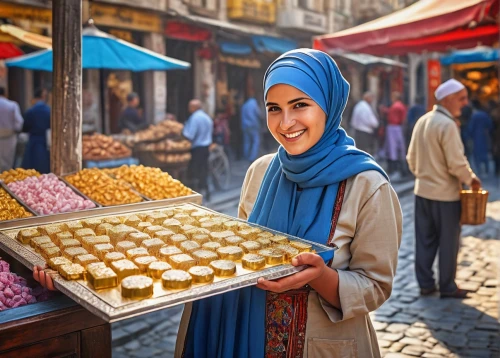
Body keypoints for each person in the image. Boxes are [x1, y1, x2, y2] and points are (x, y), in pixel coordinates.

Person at [175, 49, 402, 357]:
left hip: (323, 346)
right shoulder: (259, 172)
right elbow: (242, 255)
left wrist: (322, 277)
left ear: (328, 105)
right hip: (247, 339)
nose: (285, 122)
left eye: (300, 105)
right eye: (274, 108)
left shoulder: (368, 186)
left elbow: (376, 286)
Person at [407, 79, 481, 299]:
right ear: (447, 100)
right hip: (446, 196)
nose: (465, 103)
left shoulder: (423, 120)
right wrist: (472, 180)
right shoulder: (447, 124)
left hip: (422, 192)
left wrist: (424, 176)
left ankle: (426, 284)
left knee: (424, 241)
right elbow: (456, 163)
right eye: (461, 98)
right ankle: (447, 287)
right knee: (448, 243)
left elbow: (411, 158)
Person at [182, 99, 213, 199]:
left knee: (196, 170)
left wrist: (182, 133)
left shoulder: (194, 118)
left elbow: (190, 135)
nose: (188, 109)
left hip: (197, 148)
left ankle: (197, 193)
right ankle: (206, 191)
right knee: (204, 169)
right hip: (206, 147)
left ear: (194, 107)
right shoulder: (206, 117)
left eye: (190, 107)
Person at [21, 88, 51, 173]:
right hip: (44, 142)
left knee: (30, 168)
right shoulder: (49, 111)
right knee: (44, 166)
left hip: (32, 142)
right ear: (43, 97)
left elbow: (25, 128)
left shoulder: (30, 111)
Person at [382, 92, 407, 178]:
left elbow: (393, 115)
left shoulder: (396, 106)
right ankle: (399, 169)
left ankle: (395, 169)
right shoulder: (401, 105)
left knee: (393, 148)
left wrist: (385, 110)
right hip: (397, 127)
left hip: (394, 127)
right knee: (398, 148)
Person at [467, 99, 493, 176]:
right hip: (484, 136)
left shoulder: (474, 116)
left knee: (477, 154)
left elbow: (470, 128)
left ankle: (480, 171)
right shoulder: (484, 115)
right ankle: (486, 170)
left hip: (476, 137)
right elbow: (490, 125)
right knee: (485, 154)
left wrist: (469, 136)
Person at [0, 87, 23, 172]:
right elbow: (19, 122)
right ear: (5, 94)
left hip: (7, 136)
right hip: (9, 137)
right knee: (7, 163)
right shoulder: (12, 105)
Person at [241, 91, 263, 162]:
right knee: (256, 141)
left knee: (247, 142)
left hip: (245, 126)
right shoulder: (254, 103)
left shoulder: (244, 105)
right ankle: (252, 157)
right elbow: (258, 113)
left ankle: (246, 156)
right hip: (253, 126)